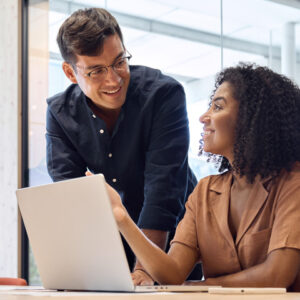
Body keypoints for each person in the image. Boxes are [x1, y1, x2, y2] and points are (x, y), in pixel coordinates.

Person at [105, 63, 300, 290]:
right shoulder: (205, 191)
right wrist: (122, 219)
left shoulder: (292, 183)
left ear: (252, 118)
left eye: (217, 107)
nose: (204, 117)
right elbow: (172, 272)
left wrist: (206, 285)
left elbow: (276, 276)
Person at [46, 7, 198, 284]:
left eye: (119, 62)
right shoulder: (60, 113)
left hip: (176, 247)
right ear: (70, 72)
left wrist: (145, 268)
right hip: (113, 248)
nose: (114, 79)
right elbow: (71, 193)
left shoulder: (164, 95)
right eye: (96, 71)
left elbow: (163, 190)